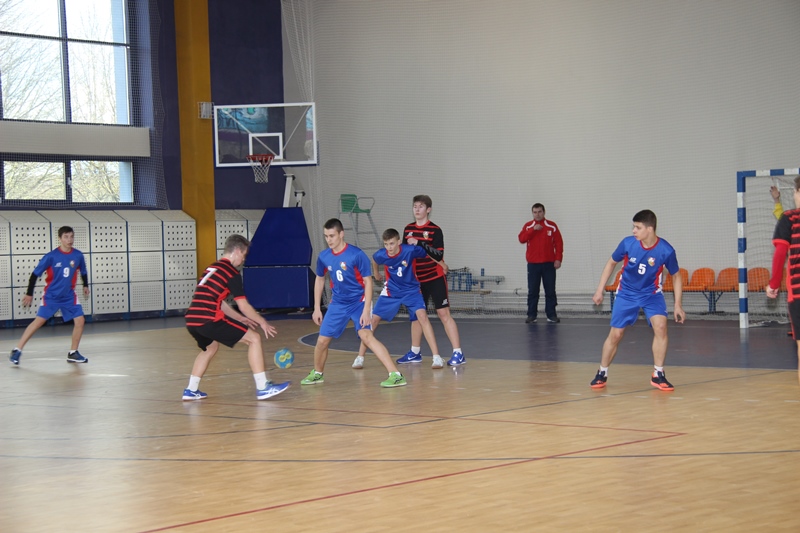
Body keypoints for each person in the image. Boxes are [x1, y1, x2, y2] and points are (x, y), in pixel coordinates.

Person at [182, 234, 290, 401]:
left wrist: (239, 319)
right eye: (244, 255)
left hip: (192, 320)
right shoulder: (231, 272)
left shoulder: (212, 268)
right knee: (254, 339)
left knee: (210, 348)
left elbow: (220, 303)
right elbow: (243, 305)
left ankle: (191, 390)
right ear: (238, 251)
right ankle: (263, 387)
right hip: (209, 319)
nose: (243, 260)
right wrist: (262, 322)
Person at [302, 218, 406, 387]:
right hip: (338, 303)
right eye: (326, 236)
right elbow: (320, 279)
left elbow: (368, 282)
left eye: (332, 236)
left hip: (359, 302)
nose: (328, 240)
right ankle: (317, 374)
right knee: (322, 341)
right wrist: (316, 308)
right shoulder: (324, 257)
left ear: (341, 234)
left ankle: (396, 375)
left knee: (366, 336)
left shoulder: (356, 255)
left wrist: (366, 310)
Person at [589, 210, 685, 391]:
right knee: (616, 335)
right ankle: (602, 372)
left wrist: (678, 304)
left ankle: (658, 374)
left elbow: (676, 276)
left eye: (638, 227)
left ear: (650, 229)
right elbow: (611, 263)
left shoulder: (666, 250)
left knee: (661, 327)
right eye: (633, 227)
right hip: (627, 293)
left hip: (651, 294)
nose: (634, 230)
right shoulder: (628, 243)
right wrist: (600, 290)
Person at [352, 228, 444, 370]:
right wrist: (376, 273)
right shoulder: (382, 254)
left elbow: (428, 253)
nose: (389, 247)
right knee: (373, 320)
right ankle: (360, 357)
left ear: (399, 242)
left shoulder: (410, 250)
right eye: (386, 244)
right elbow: (374, 260)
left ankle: (436, 357)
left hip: (411, 290)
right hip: (391, 290)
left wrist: (442, 264)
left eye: (392, 243)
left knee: (422, 317)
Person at [396, 195, 465, 366]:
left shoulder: (435, 230)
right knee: (417, 315)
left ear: (428, 209)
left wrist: (419, 243)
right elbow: (405, 254)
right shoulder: (408, 229)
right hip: (417, 280)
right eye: (415, 206)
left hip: (435, 277)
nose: (417, 209)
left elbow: (438, 255)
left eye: (421, 206)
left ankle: (458, 353)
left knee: (443, 313)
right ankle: (415, 352)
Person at [9, 226, 90, 365]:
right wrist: (29, 293)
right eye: (66, 237)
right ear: (60, 239)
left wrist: (85, 285)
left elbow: (83, 271)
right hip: (51, 296)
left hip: (69, 296)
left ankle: (73, 353)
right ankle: (17, 350)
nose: (69, 240)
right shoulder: (51, 256)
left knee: (80, 320)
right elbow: (35, 275)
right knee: (39, 321)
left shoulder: (78, 255)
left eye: (71, 236)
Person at [766, 175, 800, 385]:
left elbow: (780, 253)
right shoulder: (786, 218)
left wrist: (773, 284)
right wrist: (777, 200)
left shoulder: (790, 218)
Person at [518, 203, 564, 323]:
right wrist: (533, 230)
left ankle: (551, 315)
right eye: (535, 212)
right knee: (533, 291)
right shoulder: (528, 226)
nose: (537, 214)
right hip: (533, 264)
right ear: (532, 213)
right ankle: (532, 315)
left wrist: (558, 259)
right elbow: (521, 239)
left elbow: (559, 243)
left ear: (544, 212)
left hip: (549, 264)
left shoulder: (552, 226)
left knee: (550, 290)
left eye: (539, 212)